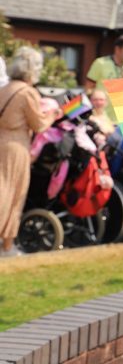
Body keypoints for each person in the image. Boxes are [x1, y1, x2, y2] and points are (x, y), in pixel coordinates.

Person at [0, 47, 61, 256]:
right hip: (16, 147)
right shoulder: (27, 92)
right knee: (14, 194)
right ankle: (7, 245)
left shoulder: (5, 88)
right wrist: (53, 114)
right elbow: (39, 125)